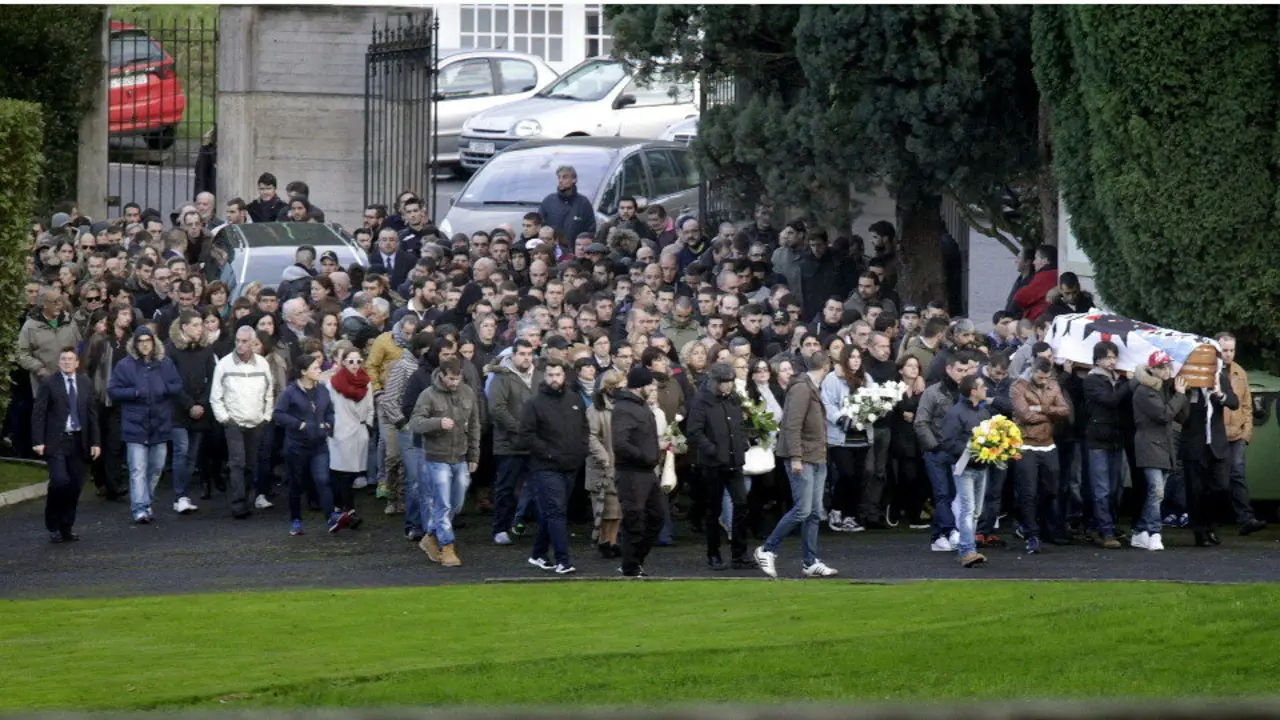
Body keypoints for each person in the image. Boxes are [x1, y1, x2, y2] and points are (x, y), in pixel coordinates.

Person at [755, 350, 840, 578]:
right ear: (826, 366)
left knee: (813, 512)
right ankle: (767, 549)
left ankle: (810, 561)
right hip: (803, 456)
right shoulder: (802, 388)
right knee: (803, 509)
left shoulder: (807, 386)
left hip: (815, 455)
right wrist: (795, 457)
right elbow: (791, 425)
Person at [407, 357, 481, 568]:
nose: (454, 383)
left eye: (457, 378)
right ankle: (447, 545)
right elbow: (415, 423)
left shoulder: (468, 393)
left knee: (456, 502)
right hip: (436, 457)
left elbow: (475, 424)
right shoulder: (428, 395)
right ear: (442, 375)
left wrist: (474, 455)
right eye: (451, 378)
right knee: (443, 502)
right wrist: (438, 423)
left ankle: (431, 535)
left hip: (460, 456)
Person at [520, 357, 589, 575]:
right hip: (545, 466)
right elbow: (526, 436)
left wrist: (581, 449)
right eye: (550, 375)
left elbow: (584, 428)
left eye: (558, 374)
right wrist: (549, 453)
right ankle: (563, 560)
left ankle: (538, 553)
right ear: (544, 376)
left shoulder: (574, 399)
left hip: (571, 465)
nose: (554, 379)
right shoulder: (534, 403)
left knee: (553, 512)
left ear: (564, 375)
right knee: (557, 512)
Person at [107, 326, 183, 524]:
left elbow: (177, 385)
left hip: (160, 423)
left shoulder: (165, 363)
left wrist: (164, 388)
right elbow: (113, 390)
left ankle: (146, 501)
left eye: (147, 340)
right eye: (140, 341)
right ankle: (139, 507)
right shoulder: (125, 365)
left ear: (153, 342)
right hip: (135, 424)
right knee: (137, 469)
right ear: (135, 343)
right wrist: (134, 393)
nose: (144, 344)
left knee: (156, 468)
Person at [687, 363, 754, 571]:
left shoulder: (733, 398)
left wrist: (742, 443)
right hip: (713, 464)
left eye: (731, 382)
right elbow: (694, 432)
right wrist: (713, 450)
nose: (728, 386)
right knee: (713, 510)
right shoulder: (701, 400)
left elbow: (739, 425)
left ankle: (739, 554)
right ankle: (713, 553)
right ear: (715, 382)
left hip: (733, 461)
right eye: (725, 382)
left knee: (741, 504)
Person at [32, 348, 100, 543]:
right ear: (59, 362)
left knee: (75, 485)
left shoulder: (85, 383)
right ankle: (52, 523)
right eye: (63, 359)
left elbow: (92, 415)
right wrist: (38, 441)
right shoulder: (49, 383)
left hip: (79, 440)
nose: (67, 362)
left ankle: (66, 527)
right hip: (57, 441)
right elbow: (38, 414)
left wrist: (96, 442)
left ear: (77, 363)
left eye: (70, 359)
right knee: (60, 481)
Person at [914, 350, 979, 552]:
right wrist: (934, 446)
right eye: (959, 370)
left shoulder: (966, 393)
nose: (963, 374)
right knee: (943, 493)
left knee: (949, 494)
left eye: (966, 370)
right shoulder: (933, 392)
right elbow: (921, 422)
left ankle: (938, 536)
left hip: (957, 451)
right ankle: (950, 531)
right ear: (948, 368)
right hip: (937, 451)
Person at [273, 354, 343, 535]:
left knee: (323, 480)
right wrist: (300, 424)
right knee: (296, 483)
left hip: (319, 444)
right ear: (303, 372)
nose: (319, 370)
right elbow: (278, 414)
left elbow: (330, 411)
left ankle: (330, 518)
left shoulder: (323, 391)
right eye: (315, 368)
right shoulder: (289, 392)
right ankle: (296, 520)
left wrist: (329, 423)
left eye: (319, 367)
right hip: (296, 446)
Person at [210, 325, 275, 519]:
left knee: (250, 464)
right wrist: (225, 419)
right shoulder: (224, 364)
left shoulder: (263, 364)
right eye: (237, 340)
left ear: (253, 342)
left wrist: (266, 417)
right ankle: (238, 504)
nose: (240, 344)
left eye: (245, 341)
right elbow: (216, 396)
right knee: (237, 462)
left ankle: (245, 499)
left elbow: (269, 392)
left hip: (256, 421)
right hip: (234, 422)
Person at [1010, 357, 1071, 553]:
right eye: (1041, 377)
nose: (1044, 381)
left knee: (1052, 490)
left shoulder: (1053, 385)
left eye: (1047, 378)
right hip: (1025, 444)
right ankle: (1032, 535)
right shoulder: (1018, 387)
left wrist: (1042, 409)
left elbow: (1065, 411)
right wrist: (1049, 415)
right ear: (1032, 371)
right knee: (1028, 491)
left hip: (1047, 444)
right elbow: (1024, 415)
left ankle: (1027, 521)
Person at [1181, 346, 1239, 548]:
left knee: (1221, 487)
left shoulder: (1220, 378)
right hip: (1195, 445)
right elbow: (1180, 415)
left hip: (1217, 444)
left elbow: (1234, 402)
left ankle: (1212, 524)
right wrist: (1183, 393)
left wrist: (1220, 395)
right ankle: (1200, 532)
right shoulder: (1187, 382)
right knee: (1196, 490)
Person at [1130, 351, 1188, 551]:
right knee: (1157, 490)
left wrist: (1178, 394)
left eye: (1168, 366)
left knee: (1156, 493)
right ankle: (1154, 532)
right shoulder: (1144, 390)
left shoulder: (1164, 389)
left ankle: (1140, 531)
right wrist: (1179, 394)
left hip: (1164, 446)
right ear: (1153, 369)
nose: (1167, 370)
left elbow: (1181, 415)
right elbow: (1164, 415)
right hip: (1150, 444)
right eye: (1162, 367)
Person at [487, 339, 541, 545]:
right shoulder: (502, 377)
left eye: (529, 354)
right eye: (522, 354)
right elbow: (497, 409)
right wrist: (521, 429)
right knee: (506, 488)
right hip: (509, 443)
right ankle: (500, 528)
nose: (526, 358)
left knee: (538, 486)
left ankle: (524, 523)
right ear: (513, 355)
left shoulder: (539, 375)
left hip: (536, 443)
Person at [611, 365, 663, 577]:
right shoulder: (624, 408)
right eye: (649, 384)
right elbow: (620, 443)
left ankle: (634, 562)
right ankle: (630, 567)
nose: (652, 388)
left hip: (646, 472)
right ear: (640, 385)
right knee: (635, 521)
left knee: (657, 517)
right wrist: (644, 456)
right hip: (632, 473)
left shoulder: (640, 407)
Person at [1082, 340, 1133, 549]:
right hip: (1098, 438)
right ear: (1098, 359)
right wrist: (1128, 383)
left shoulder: (1117, 380)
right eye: (1108, 357)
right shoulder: (1092, 381)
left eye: (1114, 357)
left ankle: (1103, 525)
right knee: (1102, 488)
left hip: (1115, 438)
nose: (1112, 361)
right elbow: (1110, 400)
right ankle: (1106, 531)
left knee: (1115, 487)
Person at [938, 374, 993, 568]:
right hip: (964, 467)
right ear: (973, 391)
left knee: (976, 511)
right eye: (982, 386)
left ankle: (968, 548)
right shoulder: (956, 413)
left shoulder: (984, 412)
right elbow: (948, 442)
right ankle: (967, 550)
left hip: (981, 466)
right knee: (969, 509)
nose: (986, 388)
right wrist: (973, 448)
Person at [165, 311, 216, 515]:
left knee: (192, 455)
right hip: (178, 410)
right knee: (181, 451)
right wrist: (189, 405)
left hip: (200, 409)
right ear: (184, 327)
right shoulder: (171, 350)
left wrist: (201, 404)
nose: (199, 328)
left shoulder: (205, 349)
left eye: (200, 324)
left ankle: (184, 493)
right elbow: (171, 381)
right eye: (195, 325)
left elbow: (213, 378)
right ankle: (180, 495)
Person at [1217, 333, 1268, 535]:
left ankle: (1246, 518)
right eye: (1224, 350)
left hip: (1237, 434)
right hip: (1217, 434)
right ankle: (1213, 518)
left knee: (1238, 474)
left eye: (1231, 350)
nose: (1228, 354)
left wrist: (1246, 433)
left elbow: (1247, 405)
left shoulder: (1240, 373)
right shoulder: (1211, 371)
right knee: (1218, 479)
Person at [820, 345, 872, 533]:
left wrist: (874, 411)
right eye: (852, 357)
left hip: (861, 436)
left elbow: (875, 398)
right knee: (846, 473)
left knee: (858, 476)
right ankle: (836, 509)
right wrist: (841, 418)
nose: (856, 360)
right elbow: (827, 403)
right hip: (840, 436)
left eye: (859, 357)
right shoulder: (833, 379)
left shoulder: (866, 379)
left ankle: (851, 515)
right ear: (844, 359)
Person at [326, 342, 374, 529]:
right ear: (343, 362)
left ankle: (341, 508)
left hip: (359, 432)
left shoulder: (366, 382)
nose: (355, 364)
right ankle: (349, 511)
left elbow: (370, 407)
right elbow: (328, 407)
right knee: (341, 473)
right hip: (340, 432)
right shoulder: (333, 383)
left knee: (351, 474)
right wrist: (331, 428)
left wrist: (368, 425)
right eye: (350, 361)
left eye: (358, 361)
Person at [586, 369, 624, 559]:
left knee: (617, 511)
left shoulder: (622, 407)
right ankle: (604, 540)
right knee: (606, 510)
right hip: (603, 466)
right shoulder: (595, 409)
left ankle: (613, 540)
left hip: (620, 464)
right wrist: (605, 457)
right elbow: (591, 436)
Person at [538, 165, 596, 242]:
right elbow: (539, 227)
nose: (560, 180)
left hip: (575, 251)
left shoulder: (583, 203)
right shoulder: (548, 201)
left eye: (564, 177)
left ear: (574, 180)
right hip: (552, 251)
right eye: (559, 177)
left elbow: (590, 230)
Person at [1012, 245, 1058, 321]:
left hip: (1038, 320)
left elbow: (1021, 297)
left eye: (1036, 258)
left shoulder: (1045, 276)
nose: (1034, 262)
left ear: (1045, 260)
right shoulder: (1055, 273)